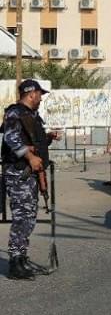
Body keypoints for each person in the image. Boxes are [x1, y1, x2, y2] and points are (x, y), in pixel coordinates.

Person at [1, 79, 61, 279]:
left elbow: (31, 139)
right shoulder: (14, 112)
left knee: (28, 217)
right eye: (39, 94)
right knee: (22, 217)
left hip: (31, 174)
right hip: (19, 172)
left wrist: (48, 137)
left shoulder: (31, 116)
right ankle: (15, 262)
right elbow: (10, 138)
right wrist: (30, 156)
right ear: (31, 93)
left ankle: (21, 257)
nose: (41, 98)